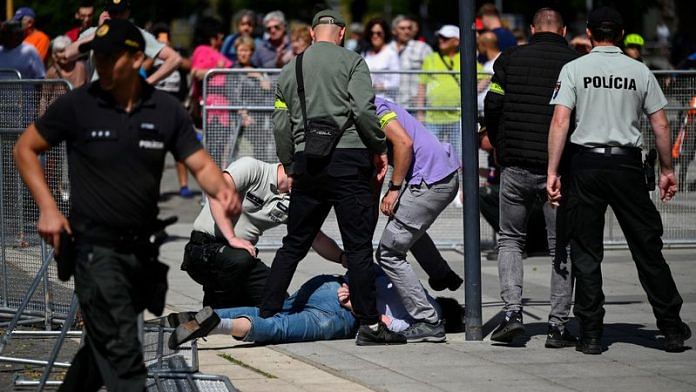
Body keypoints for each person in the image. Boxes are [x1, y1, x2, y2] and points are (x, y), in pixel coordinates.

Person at [12, 19, 240, 390]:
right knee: (124, 355)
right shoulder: (78, 105)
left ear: (137, 58)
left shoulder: (164, 110)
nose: (100, 65)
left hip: (139, 255)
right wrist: (48, 207)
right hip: (93, 251)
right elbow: (25, 148)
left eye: (110, 57)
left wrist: (222, 190)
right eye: (96, 57)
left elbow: (198, 162)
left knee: (100, 352)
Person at [547, 6, 690, 354]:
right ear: (622, 35)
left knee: (586, 251)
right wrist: (667, 170)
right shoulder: (638, 71)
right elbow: (660, 124)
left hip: (586, 165)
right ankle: (670, 328)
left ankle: (592, 333)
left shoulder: (574, 69)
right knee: (646, 248)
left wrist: (552, 171)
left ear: (590, 33)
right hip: (627, 166)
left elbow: (560, 122)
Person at [261, 9, 405, 346]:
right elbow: (362, 111)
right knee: (357, 247)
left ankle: (266, 313)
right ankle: (370, 325)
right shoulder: (353, 62)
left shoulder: (290, 68)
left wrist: (290, 163)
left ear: (312, 34)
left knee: (294, 244)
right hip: (350, 159)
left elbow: (280, 125)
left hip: (307, 162)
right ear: (340, 34)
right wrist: (378, 146)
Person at [484, 7, 579, 347]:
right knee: (560, 245)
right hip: (560, 167)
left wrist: (498, 143)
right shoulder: (575, 61)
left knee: (510, 239)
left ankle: (512, 314)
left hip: (516, 164)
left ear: (532, 29)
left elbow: (492, 105)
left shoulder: (510, 58)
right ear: (564, 30)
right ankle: (557, 325)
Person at [184, 157, 346, 309]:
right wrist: (232, 237)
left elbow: (316, 238)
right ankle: (216, 302)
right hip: (205, 247)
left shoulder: (293, 201)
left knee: (276, 301)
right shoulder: (252, 168)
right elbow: (216, 192)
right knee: (240, 259)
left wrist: (342, 257)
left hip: (241, 258)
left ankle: (228, 310)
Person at [167, 267, 445, 348]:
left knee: (270, 310)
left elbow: (369, 269)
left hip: (327, 284)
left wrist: (350, 286)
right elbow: (388, 325)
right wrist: (355, 302)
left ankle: (195, 317)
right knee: (281, 327)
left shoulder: (412, 284)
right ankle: (220, 325)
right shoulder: (426, 312)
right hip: (342, 313)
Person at [373, 96, 461, 342]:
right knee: (407, 230)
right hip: (442, 174)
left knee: (388, 253)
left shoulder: (374, 108)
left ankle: (427, 320)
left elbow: (403, 143)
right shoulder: (380, 102)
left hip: (431, 181)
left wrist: (393, 189)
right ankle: (441, 273)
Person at [65, 0, 182, 85]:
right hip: (97, 99)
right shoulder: (93, 33)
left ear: (128, 13)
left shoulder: (136, 34)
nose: (117, 16)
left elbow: (175, 59)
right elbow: (67, 55)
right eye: (113, 12)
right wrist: (99, 33)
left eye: (120, 12)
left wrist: (147, 84)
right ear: (106, 12)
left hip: (125, 101)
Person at [150, 23, 194, 198]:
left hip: (176, 106)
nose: (164, 42)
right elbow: (143, 70)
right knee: (154, 152)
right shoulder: (149, 56)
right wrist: (154, 54)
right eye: (160, 40)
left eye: (166, 39)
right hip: (154, 108)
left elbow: (188, 65)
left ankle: (184, 185)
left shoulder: (176, 54)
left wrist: (169, 55)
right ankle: (155, 188)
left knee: (179, 150)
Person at [417, 25, 461, 157]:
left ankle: (460, 178)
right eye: (440, 37)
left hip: (458, 118)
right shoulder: (430, 58)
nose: (441, 40)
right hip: (432, 118)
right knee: (432, 155)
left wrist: (474, 91)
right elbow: (422, 86)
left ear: (456, 41)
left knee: (458, 157)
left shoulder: (465, 57)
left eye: (445, 38)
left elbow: (485, 76)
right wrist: (420, 112)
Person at [388, 15, 432, 107]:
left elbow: (432, 77)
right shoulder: (387, 50)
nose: (407, 31)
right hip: (391, 104)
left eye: (409, 28)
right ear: (394, 31)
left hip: (414, 105)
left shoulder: (423, 48)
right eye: (402, 28)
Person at [361, 18, 400, 102]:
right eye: (372, 33)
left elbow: (396, 81)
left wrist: (380, 87)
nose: (375, 36)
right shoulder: (364, 54)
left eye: (379, 33)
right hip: (367, 101)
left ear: (385, 34)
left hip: (386, 101)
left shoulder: (391, 54)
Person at [476, 31, 500, 115]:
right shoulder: (487, 64)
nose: (478, 48)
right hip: (482, 112)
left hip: (491, 113)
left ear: (484, 45)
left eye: (478, 45)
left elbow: (480, 86)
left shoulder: (499, 61)